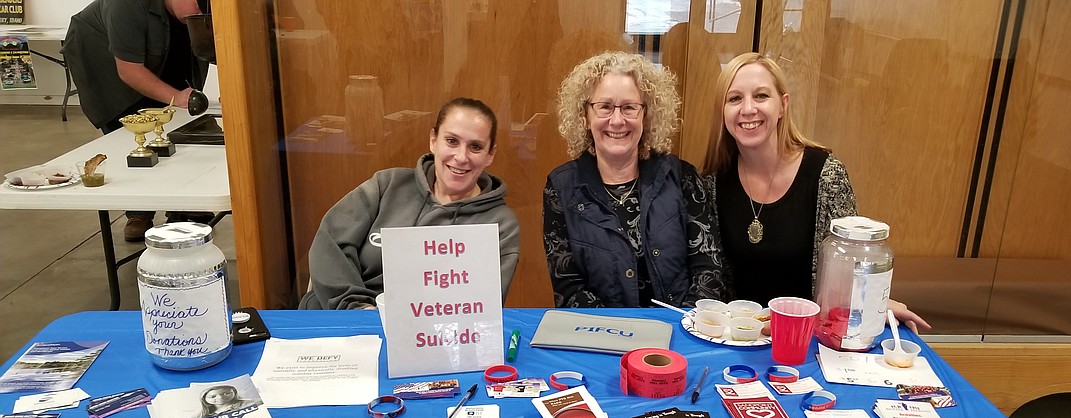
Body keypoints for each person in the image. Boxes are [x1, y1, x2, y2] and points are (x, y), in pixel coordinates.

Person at [702, 53, 930, 332]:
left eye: (761, 96)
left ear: (783, 105)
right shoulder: (712, 183)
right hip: (739, 338)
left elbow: (850, 268)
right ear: (722, 111)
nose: (748, 109)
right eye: (735, 98)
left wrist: (872, 303)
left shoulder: (826, 175)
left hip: (809, 339)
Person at [300, 97, 520, 310]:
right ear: (433, 141)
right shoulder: (386, 185)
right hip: (343, 316)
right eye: (451, 141)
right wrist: (358, 309)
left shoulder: (500, 225)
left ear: (490, 154)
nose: (461, 157)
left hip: (424, 336)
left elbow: (477, 306)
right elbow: (329, 245)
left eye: (475, 147)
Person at [543, 51, 724, 308]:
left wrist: (679, 324)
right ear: (585, 116)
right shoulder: (561, 187)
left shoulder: (682, 177)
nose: (617, 120)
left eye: (629, 107)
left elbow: (709, 270)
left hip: (678, 335)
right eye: (604, 107)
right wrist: (619, 333)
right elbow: (568, 287)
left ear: (646, 116)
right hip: (601, 338)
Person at [62, 0, 213, 242]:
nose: (205, 13)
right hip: (102, 57)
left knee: (176, 125)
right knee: (130, 131)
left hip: (162, 49)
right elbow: (130, 70)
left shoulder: (194, 11)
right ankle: (139, 212)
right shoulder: (126, 4)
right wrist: (177, 97)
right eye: (201, 5)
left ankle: (181, 206)